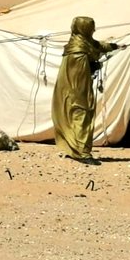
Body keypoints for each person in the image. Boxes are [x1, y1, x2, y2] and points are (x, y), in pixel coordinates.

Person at [51, 16, 120, 165]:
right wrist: (93, 64)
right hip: (76, 90)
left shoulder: (80, 41)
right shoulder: (78, 51)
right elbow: (80, 72)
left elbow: (97, 46)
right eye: (91, 27)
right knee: (81, 114)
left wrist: (112, 47)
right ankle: (82, 153)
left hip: (75, 88)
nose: (94, 30)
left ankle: (74, 149)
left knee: (79, 115)